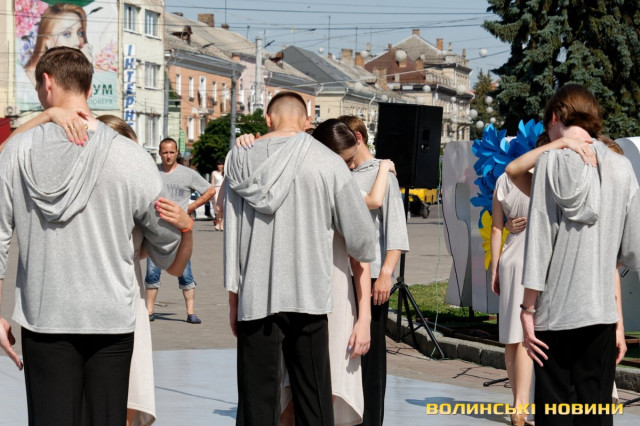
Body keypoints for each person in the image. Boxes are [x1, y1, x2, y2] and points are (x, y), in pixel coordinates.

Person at [0, 46, 184, 426]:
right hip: (112, 319)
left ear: (47, 82)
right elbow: (165, 242)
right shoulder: (129, 155)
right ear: (88, 87)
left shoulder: (17, 151)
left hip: (44, 317)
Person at [224, 91, 376, 425]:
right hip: (309, 294)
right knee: (313, 397)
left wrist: (233, 297)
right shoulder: (327, 161)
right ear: (307, 121)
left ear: (267, 118)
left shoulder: (238, 160)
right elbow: (362, 237)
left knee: (256, 401)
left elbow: (231, 234)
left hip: (256, 295)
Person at [506, 84, 640, 425]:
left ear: (555, 117)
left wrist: (527, 310)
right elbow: (631, 250)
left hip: (554, 314)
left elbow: (539, 245)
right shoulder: (622, 168)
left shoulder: (549, 162)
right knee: (595, 414)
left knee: (555, 413)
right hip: (601, 314)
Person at [338, 115, 410, 426]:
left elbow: (396, 230)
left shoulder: (383, 174)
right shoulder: (343, 173)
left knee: (371, 356)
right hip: (342, 276)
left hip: (372, 277)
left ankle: (370, 420)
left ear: (357, 138)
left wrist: (386, 274)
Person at [145, 138, 215, 324]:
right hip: (156, 232)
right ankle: (149, 311)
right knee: (152, 273)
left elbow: (210, 191)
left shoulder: (187, 174)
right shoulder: (152, 172)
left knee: (185, 272)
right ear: (160, 153)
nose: (168, 156)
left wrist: (190, 208)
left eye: (171, 152)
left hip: (180, 233)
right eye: (165, 152)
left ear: (177, 153)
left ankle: (190, 312)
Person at [490, 173, 534, 426]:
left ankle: (518, 404)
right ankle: (522, 406)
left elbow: (496, 228)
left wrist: (495, 268)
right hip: (534, 257)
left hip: (509, 257)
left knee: (511, 335)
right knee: (527, 334)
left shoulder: (503, 179)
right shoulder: (545, 174)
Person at [24, 4, 93, 86]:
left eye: (80, 33)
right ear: (47, 41)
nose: (77, 42)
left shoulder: (68, 71)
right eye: (67, 34)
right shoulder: (26, 78)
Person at [212, 159, 225, 231]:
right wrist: (211, 192)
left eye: (221, 164)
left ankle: (222, 224)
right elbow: (212, 183)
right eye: (218, 164)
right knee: (217, 208)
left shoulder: (226, 173)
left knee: (223, 207)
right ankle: (218, 223)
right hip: (216, 190)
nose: (219, 166)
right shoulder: (214, 173)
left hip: (224, 190)